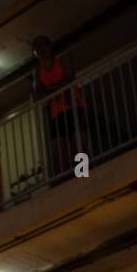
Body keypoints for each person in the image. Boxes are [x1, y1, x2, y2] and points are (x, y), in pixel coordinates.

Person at [31, 36, 87, 181]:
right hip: (56, 113)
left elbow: (69, 78)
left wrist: (49, 91)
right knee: (57, 146)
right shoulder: (38, 72)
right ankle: (66, 177)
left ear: (50, 47)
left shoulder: (61, 60)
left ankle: (84, 171)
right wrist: (56, 89)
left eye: (43, 47)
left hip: (73, 104)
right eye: (37, 49)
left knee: (78, 140)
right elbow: (38, 94)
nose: (41, 51)